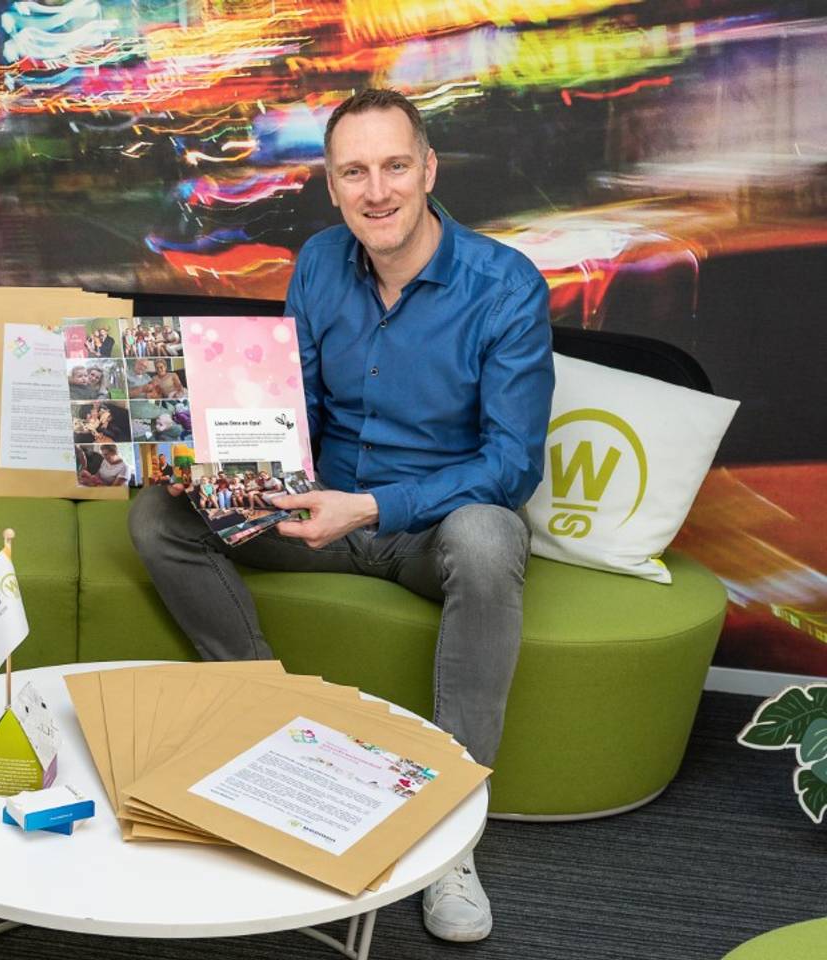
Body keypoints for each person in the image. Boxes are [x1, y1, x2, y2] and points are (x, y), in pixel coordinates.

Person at [127, 87, 554, 943]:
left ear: (428, 170)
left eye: (396, 166)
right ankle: (263, 732)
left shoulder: (504, 287)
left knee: (488, 533)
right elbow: (293, 409)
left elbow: (511, 466)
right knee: (157, 515)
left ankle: (448, 830)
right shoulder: (320, 262)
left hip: (428, 531)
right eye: (354, 172)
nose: (378, 190)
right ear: (331, 184)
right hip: (315, 512)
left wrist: (371, 506)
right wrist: (213, 463)